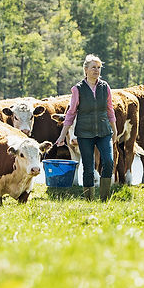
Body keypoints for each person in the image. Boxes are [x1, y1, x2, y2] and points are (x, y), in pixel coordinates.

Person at [55, 54, 118, 200]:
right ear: (86, 70)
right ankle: (89, 199)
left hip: (104, 131)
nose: (96, 70)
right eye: (93, 68)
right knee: (88, 167)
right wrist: (62, 135)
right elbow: (71, 114)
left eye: (99, 68)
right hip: (84, 134)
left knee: (108, 162)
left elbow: (110, 110)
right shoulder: (78, 89)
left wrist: (114, 130)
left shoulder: (105, 87)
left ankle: (104, 198)